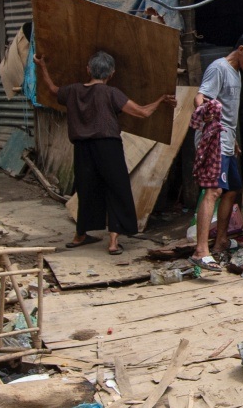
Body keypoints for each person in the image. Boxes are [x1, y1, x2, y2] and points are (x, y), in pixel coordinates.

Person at [58, 50, 171, 255]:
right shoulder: (111, 93)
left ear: (88, 69)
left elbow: (51, 89)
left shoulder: (72, 90)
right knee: (117, 189)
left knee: (86, 189)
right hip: (108, 146)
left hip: (82, 148)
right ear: (111, 74)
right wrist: (161, 99)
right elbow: (143, 112)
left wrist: (42, 68)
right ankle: (113, 242)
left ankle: (79, 235)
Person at [193, 31, 243, 266]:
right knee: (213, 191)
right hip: (215, 140)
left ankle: (221, 241)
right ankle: (201, 251)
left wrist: (233, 137)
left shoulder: (236, 73)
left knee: (232, 190)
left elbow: (228, 110)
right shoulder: (219, 68)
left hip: (227, 140)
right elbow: (200, 98)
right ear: (241, 50)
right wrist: (211, 128)